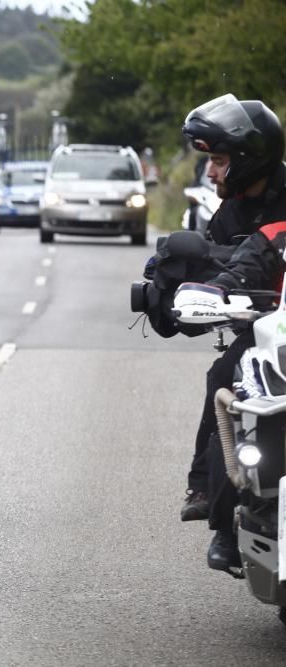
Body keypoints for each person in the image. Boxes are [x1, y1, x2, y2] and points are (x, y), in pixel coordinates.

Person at [177, 93, 286, 570]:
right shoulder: (234, 213)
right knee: (226, 375)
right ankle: (218, 511)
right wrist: (182, 289)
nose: (211, 172)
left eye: (219, 161)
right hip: (271, 329)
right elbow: (218, 267)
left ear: (247, 159)